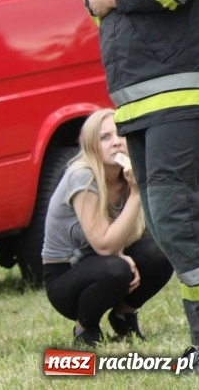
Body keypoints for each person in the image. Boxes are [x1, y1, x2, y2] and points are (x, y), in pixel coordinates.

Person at [70, 0, 199, 367]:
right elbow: (96, 2)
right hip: (139, 104)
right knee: (171, 221)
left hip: (180, 97)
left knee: (177, 219)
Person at [41, 109, 173, 347]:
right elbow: (104, 245)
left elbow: (144, 235)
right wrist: (136, 194)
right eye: (105, 138)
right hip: (66, 275)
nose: (115, 143)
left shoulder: (130, 173)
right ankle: (85, 328)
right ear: (91, 146)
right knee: (115, 269)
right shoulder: (82, 176)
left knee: (161, 251)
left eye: (120, 134)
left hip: (109, 260)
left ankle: (124, 315)